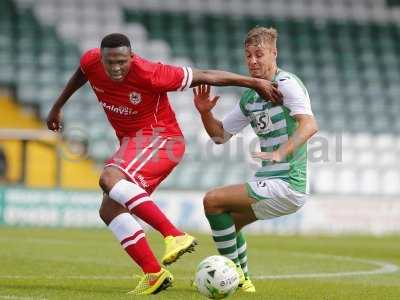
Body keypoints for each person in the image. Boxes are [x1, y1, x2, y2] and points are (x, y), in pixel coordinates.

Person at [46, 33, 282, 295]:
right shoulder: (90, 61)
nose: (116, 68)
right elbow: (82, 73)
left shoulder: (151, 72)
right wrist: (57, 107)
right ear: (99, 58)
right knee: (109, 209)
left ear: (132, 57)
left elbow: (206, 75)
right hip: (133, 143)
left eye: (122, 62)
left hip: (161, 139)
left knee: (110, 178)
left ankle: (174, 234)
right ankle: (153, 273)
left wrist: (252, 83)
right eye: (109, 62)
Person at [193, 27, 318, 293]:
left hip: (288, 183)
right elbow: (219, 136)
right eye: (248, 55)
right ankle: (244, 281)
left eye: (259, 55)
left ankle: (234, 274)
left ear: (274, 53)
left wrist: (280, 153)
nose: (252, 61)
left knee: (212, 200)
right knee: (228, 222)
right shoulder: (250, 96)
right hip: (269, 180)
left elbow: (309, 125)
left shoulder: (286, 84)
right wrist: (205, 113)